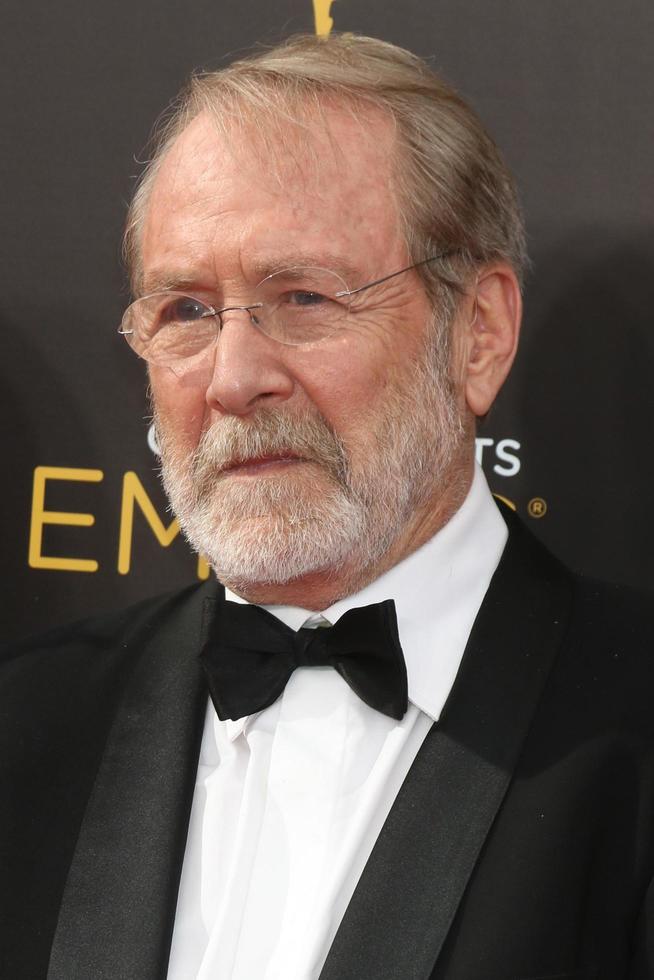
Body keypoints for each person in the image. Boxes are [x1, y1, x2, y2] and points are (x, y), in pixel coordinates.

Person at [1, 32, 653, 980]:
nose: (233, 379)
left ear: (477, 334)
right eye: (185, 310)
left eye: (303, 296)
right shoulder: (29, 725)